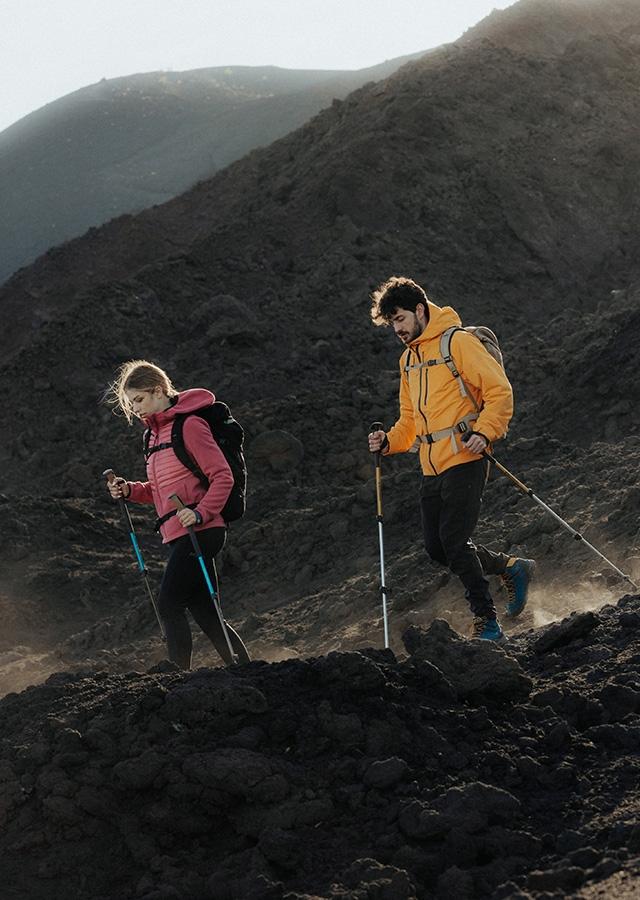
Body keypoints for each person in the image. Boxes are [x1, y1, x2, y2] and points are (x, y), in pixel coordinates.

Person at [368, 276, 534, 640]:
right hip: (431, 464)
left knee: (455, 541)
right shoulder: (408, 360)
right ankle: (511, 567)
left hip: (466, 456)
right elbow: (409, 421)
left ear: (420, 311)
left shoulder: (457, 343)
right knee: (438, 548)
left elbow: (499, 390)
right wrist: (389, 442)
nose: (397, 329)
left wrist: (485, 431)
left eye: (400, 320)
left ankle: (488, 622)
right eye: (391, 323)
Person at [105, 359, 250, 668]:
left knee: (170, 604)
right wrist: (130, 490)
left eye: (140, 400)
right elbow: (161, 490)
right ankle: (246, 671)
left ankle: (177, 680)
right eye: (132, 404)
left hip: (202, 530)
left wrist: (200, 514)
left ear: (159, 390)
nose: (137, 409)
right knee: (206, 613)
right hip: (181, 533)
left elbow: (223, 476)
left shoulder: (190, 425)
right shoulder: (152, 436)